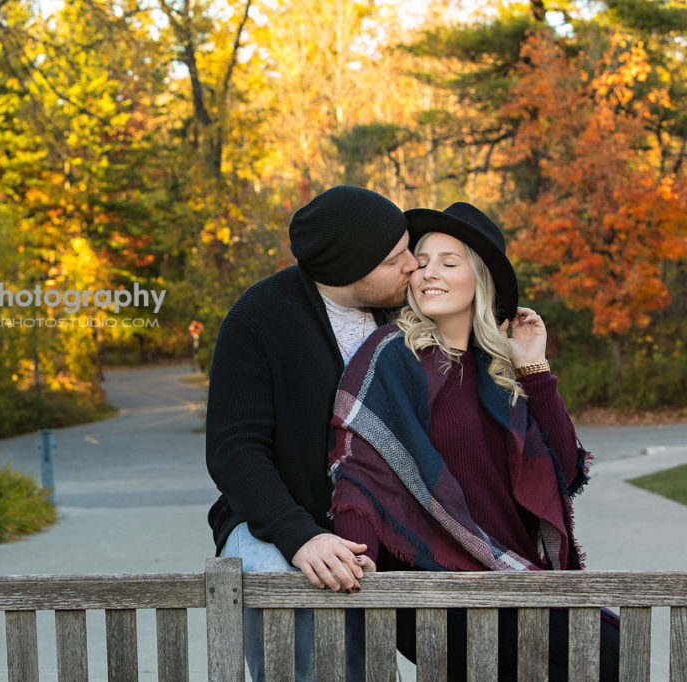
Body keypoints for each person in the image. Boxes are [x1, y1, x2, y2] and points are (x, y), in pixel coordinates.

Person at [328, 202, 619, 679]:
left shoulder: (499, 371)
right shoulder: (391, 355)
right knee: (601, 648)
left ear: (479, 280)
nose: (427, 273)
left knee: (605, 646)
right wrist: (362, 582)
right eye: (420, 262)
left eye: (448, 261)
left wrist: (533, 365)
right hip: (431, 583)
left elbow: (564, 472)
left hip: (509, 575)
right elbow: (360, 471)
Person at [206, 185, 418, 681]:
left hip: (382, 519)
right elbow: (235, 449)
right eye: (396, 259)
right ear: (348, 272)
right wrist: (299, 537)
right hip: (274, 518)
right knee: (286, 585)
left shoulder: (408, 315)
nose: (413, 264)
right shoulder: (260, 318)